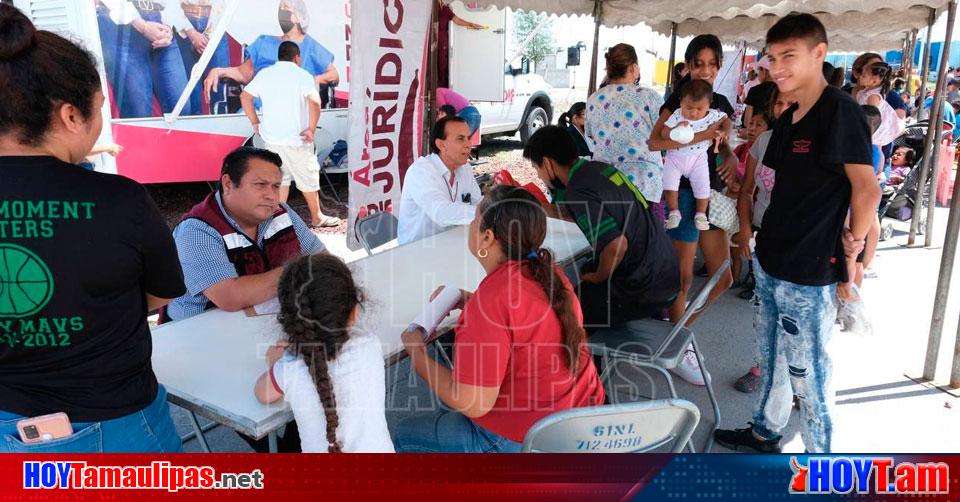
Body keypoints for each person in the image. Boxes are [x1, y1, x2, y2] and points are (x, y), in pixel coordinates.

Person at [0, 4, 185, 452]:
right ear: (69, 116)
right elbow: (159, 296)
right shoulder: (120, 200)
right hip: (117, 426)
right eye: (99, 108)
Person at [714, 13, 880, 454]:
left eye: (790, 55)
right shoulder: (790, 120)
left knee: (810, 373)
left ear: (819, 54)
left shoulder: (839, 111)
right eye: (773, 57)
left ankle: (822, 461)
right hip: (772, 258)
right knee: (771, 359)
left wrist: (855, 247)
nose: (778, 66)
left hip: (809, 271)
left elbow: (866, 188)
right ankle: (764, 432)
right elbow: (774, 186)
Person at [393, 185, 606, 452]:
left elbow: (472, 402)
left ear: (487, 238)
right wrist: (466, 299)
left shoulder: (492, 300)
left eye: (474, 221)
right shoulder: (549, 274)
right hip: (579, 423)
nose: (471, 225)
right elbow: (525, 323)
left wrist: (417, 352)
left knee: (402, 434)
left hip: (526, 441)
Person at [165, 146, 326, 451]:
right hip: (203, 342)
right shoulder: (197, 229)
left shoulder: (280, 213)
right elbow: (229, 296)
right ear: (228, 184)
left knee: (311, 393)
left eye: (276, 186)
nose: (271, 194)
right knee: (273, 406)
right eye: (260, 185)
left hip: (266, 329)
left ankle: (298, 448)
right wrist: (295, 272)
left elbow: (323, 260)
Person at [648, 34, 738, 386]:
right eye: (697, 63)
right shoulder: (676, 100)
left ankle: (678, 333)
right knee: (683, 278)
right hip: (681, 195)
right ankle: (678, 345)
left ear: (718, 66)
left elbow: (727, 141)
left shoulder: (722, 103)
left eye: (710, 64)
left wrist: (729, 154)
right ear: (686, 67)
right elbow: (656, 142)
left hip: (709, 195)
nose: (704, 70)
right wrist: (702, 137)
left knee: (724, 276)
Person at [524, 126, 680, 329]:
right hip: (666, 273)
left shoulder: (578, 189)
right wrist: (539, 208)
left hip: (643, 287)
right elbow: (579, 212)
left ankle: (588, 359)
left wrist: (599, 277)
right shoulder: (597, 170)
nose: (538, 175)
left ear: (547, 163)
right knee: (581, 285)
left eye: (536, 169)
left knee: (564, 308)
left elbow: (617, 245)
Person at [254, 254, 393, 453]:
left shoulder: (291, 368)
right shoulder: (370, 346)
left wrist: (275, 362)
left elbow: (262, 394)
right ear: (354, 312)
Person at [733, 91, 794, 394]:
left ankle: (799, 382)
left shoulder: (818, 142)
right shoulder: (764, 140)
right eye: (779, 103)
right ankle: (762, 367)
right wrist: (745, 229)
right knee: (764, 309)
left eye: (790, 103)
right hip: (763, 233)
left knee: (795, 316)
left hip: (799, 242)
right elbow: (746, 191)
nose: (784, 109)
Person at [241, 41, 340, 229]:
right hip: (297, 139)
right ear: (297, 57)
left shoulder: (265, 74)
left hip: (271, 139)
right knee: (308, 177)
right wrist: (311, 128)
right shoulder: (302, 75)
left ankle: (278, 220)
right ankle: (317, 217)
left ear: (279, 57)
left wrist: (255, 121)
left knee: (280, 178)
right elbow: (315, 101)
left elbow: (245, 96)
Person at [203, 0, 339, 107]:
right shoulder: (264, 42)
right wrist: (218, 71)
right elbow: (243, 74)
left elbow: (334, 75)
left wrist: (316, 80)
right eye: (280, 9)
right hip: (257, 108)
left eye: (286, 9)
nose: (282, 12)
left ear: (299, 17)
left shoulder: (311, 47)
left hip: (292, 111)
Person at [585, 43, 666, 220]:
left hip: (607, 183)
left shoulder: (594, 99)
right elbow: (664, 134)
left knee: (615, 241)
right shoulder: (650, 96)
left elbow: (590, 136)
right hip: (645, 184)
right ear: (633, 68)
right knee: (649, 239)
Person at [95, 0, 192, 118]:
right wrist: (143, 26)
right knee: (138, 113)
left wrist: (167, 26)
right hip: (121, 23)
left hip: (160, 18)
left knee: (181, 108)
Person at [397, 116, 482, 244]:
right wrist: (489, 214)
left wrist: (499, 206)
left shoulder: (464, 168)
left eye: (469, 138)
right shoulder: (421, 171)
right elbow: (441, 212)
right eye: (461, 139)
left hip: (450, 243)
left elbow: (477, 201)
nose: (469, 144)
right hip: (416, 250)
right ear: (441, 145)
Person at [660, 79, 730, 231]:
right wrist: (674, 129)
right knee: (669, 184)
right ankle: (674, 212)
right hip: (675, 158)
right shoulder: (677, 115)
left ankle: (700, 214)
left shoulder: (712, 115)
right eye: (689, 108)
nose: (693, 113)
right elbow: (663, 133)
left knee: (703, 186)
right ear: (681, 102)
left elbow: (726, 120)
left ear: (708, 105)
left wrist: (725, 131)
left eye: (699, 109)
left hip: (698, 158)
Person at [175, 0, 231, 115]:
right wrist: (191, 33)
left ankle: (220, 130)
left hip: (217, 20)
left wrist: (208, 34)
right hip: (184, 22)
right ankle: (192, 131)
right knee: (189, 93)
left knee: (219, 87)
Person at [436, 0, 485, 88]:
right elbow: (457, 20)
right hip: (438, 41)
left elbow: (457, 20)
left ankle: (440, 86)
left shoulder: (445, 9)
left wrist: (471, 24)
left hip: (441, 42)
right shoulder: (439, 8)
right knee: (440, 64)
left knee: (441, 65)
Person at [743, 56, 777, 129]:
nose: (757, 75)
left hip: (756, 134)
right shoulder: (782, 91)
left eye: (758, 72)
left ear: (764, 71)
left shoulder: (755, 90)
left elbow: (747, 122)